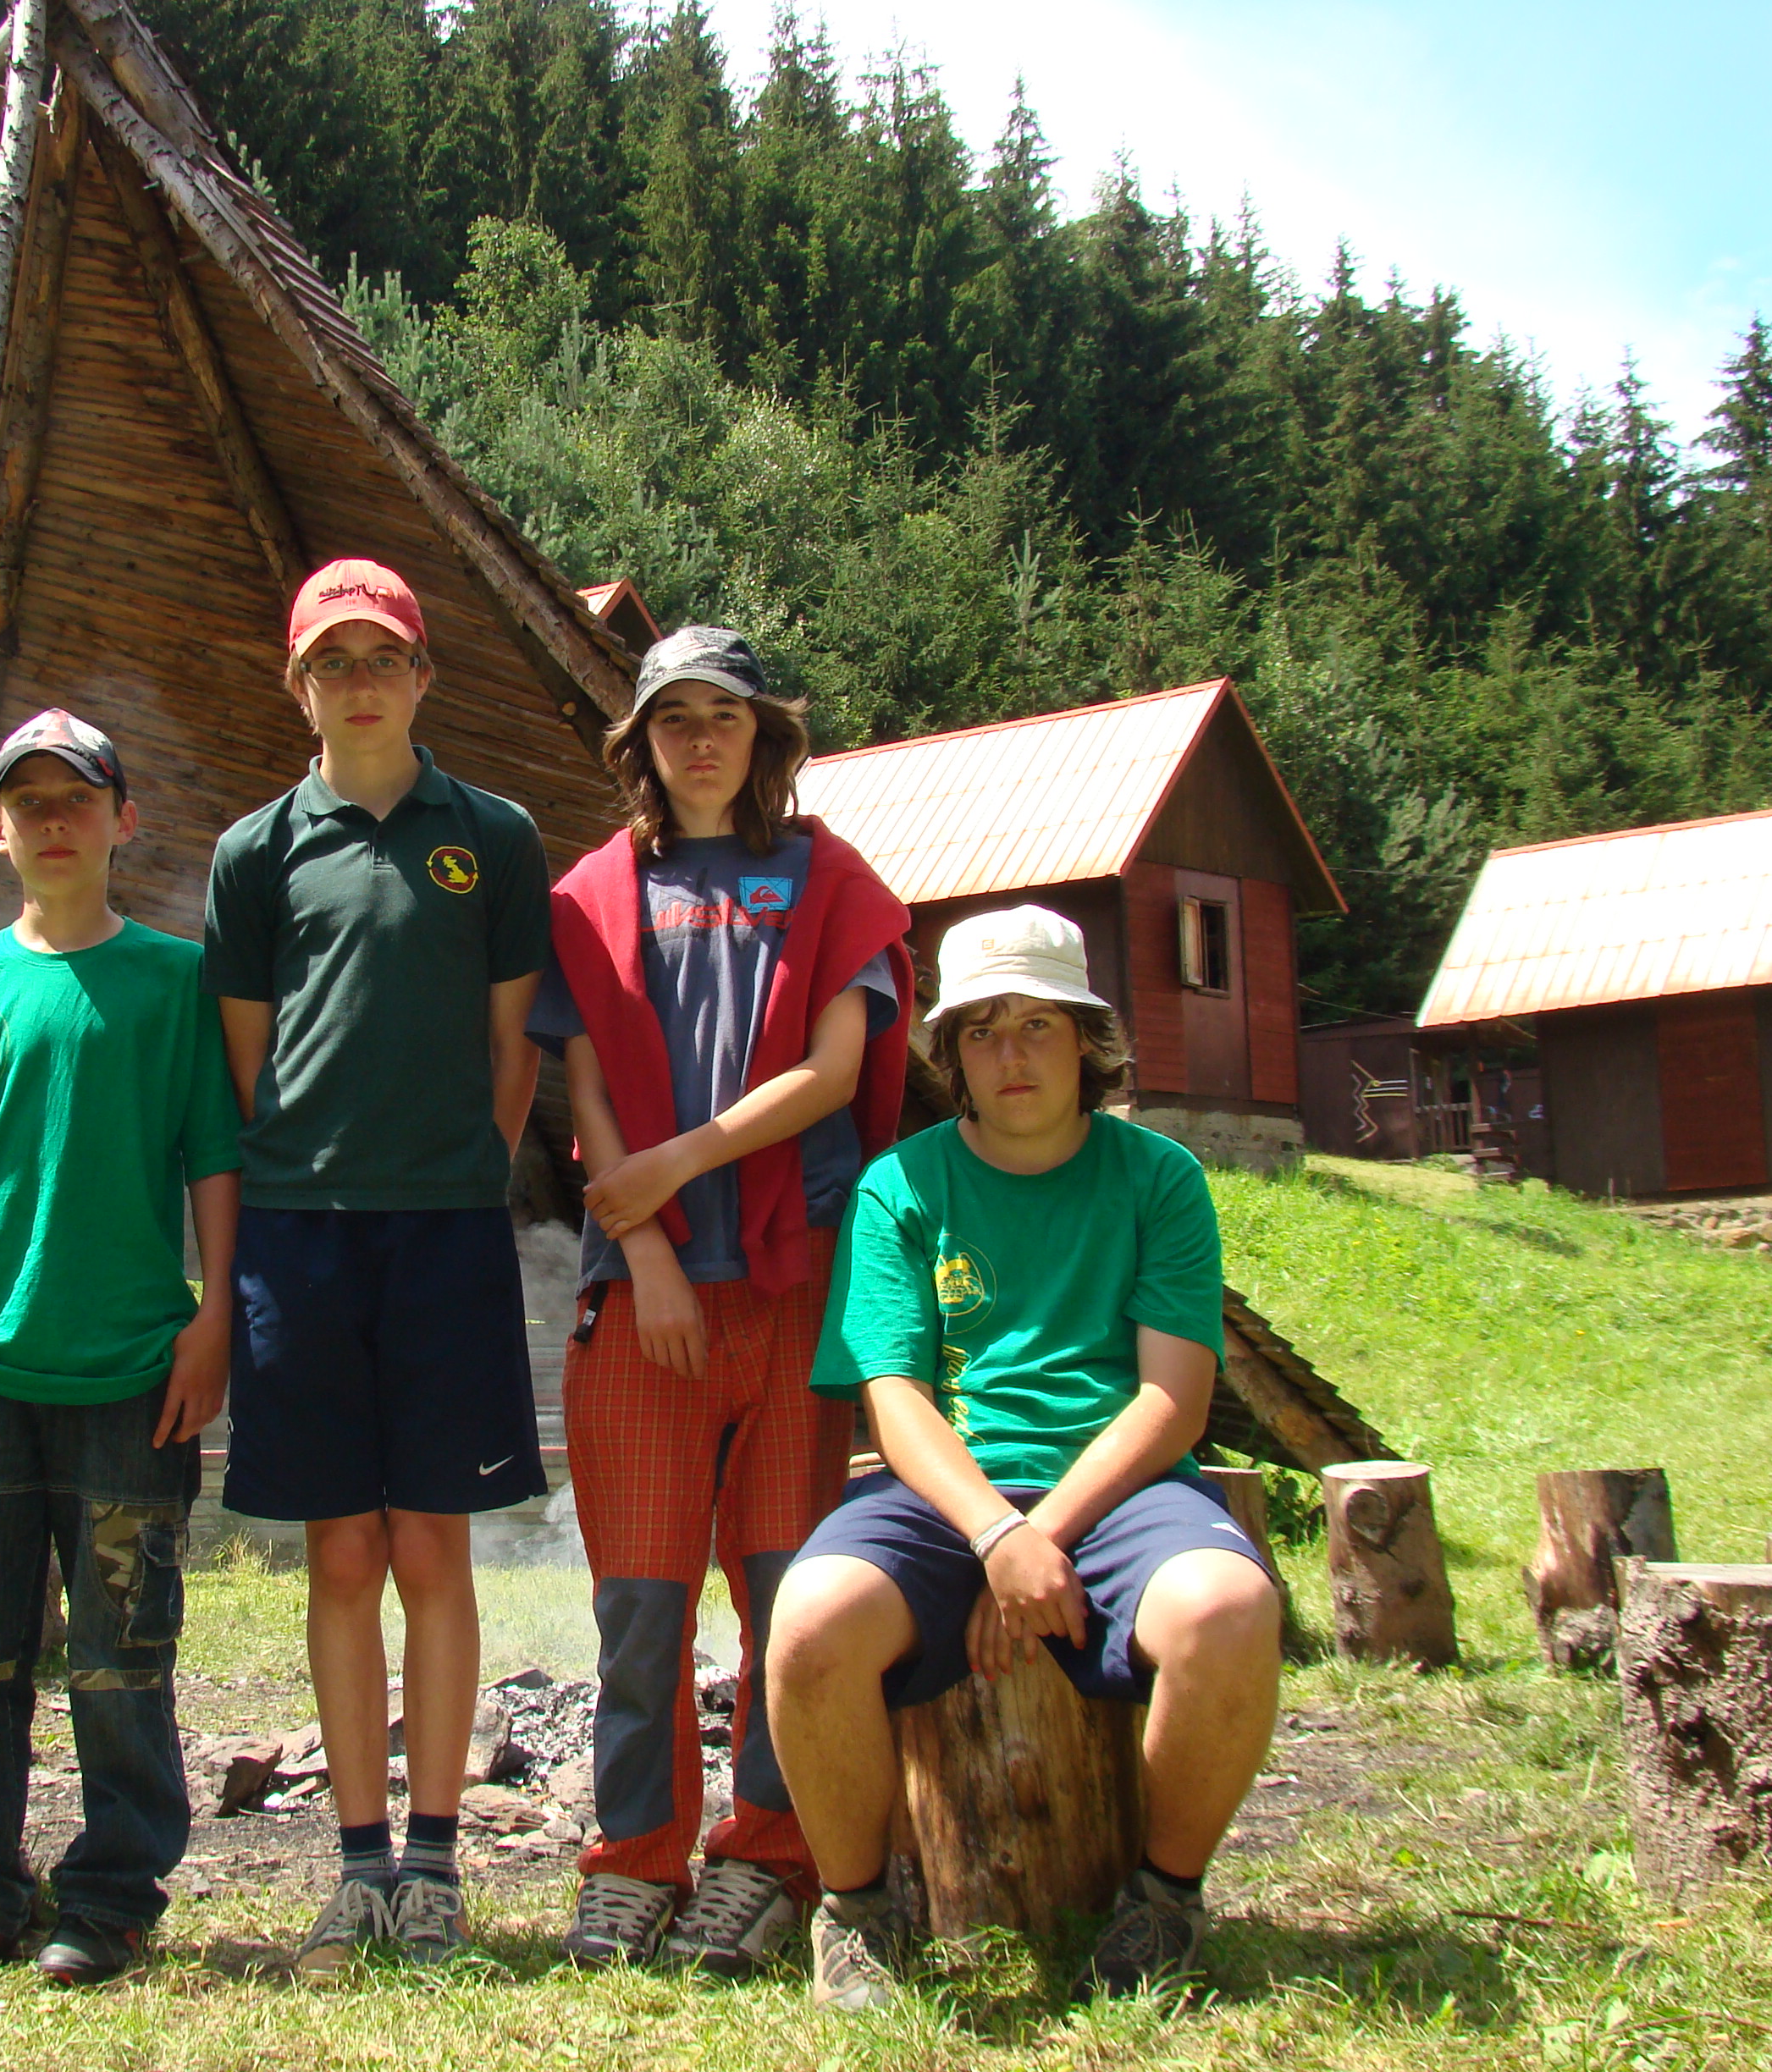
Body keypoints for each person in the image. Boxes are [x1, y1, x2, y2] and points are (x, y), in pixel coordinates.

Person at [764, 905, 1282, 2011]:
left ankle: (1163, 1900)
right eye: (983, 1029)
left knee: (1232, 1611)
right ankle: (857, 1914)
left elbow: (1174, 1401)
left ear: (1088, 1043)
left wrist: (1038, 1535)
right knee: (807, 1624)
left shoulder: (1160, 1179)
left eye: (1038, 1025)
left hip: (1124, 1492)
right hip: (949, 1493)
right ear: (950, 1056)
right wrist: (995, 1532)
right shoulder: (901, 1186)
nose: (1012, 1054)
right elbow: (893, 1400)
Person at [529, 625, 912, 1973]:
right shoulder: (591, 892)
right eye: (674, 717)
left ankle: (768, 1856)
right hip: (641, 1301)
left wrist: (681, 1167)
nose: (701, 739)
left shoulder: (833, 881)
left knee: (786, 1594)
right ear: (640, 742)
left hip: (792, 1284)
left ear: (766, 737)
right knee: (639, 1608)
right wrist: (644, 1252)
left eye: (726, 716)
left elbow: (834, 1073)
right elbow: (582, 1082)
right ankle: (635, 1858)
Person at [0, 708, 242, 1991]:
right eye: (31, 802)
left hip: (134, 1371)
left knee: (122, 1658)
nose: (55, 821)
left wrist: (216, 1317)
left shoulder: (176, 984)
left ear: (125, 821)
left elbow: (216, 1163)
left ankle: (111, 1901)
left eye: (79, 799)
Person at [201, 559, 552, 1973]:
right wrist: (314, 1167)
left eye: (381, 657)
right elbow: (248, 1057)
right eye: (331, 661)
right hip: (301, 1235)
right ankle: (357, 1865)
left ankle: (436, 1860)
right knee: (341, 1549)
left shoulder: (494, 835)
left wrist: (458, 1170)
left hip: (446, 1232)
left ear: (420, 677)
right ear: (298, 685)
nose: (358, 682)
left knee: (431, 1545)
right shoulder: (253, 851)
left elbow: (514, 1046)